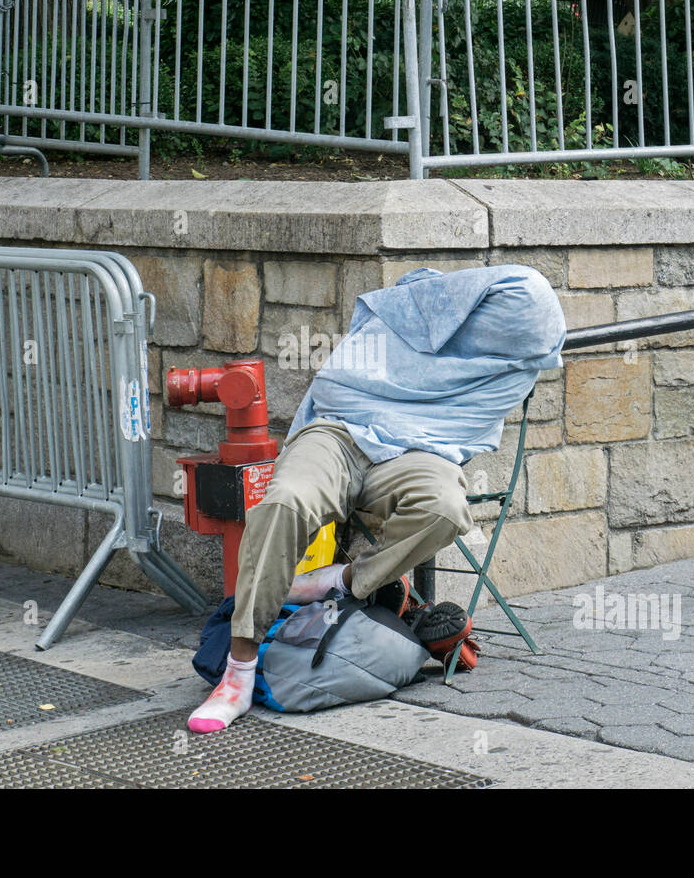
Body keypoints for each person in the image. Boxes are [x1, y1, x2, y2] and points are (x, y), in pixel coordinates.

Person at [187, 264, 567, 733]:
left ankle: (344, 580)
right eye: (507, 331)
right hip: (342, 432)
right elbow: (341, 384)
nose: (516, 345)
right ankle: (238, 671)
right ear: (481, 313)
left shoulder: (515, 359)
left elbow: (466, 423)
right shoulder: (414, 314)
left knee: (444, 506)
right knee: (285, 500)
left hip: (420, 450)